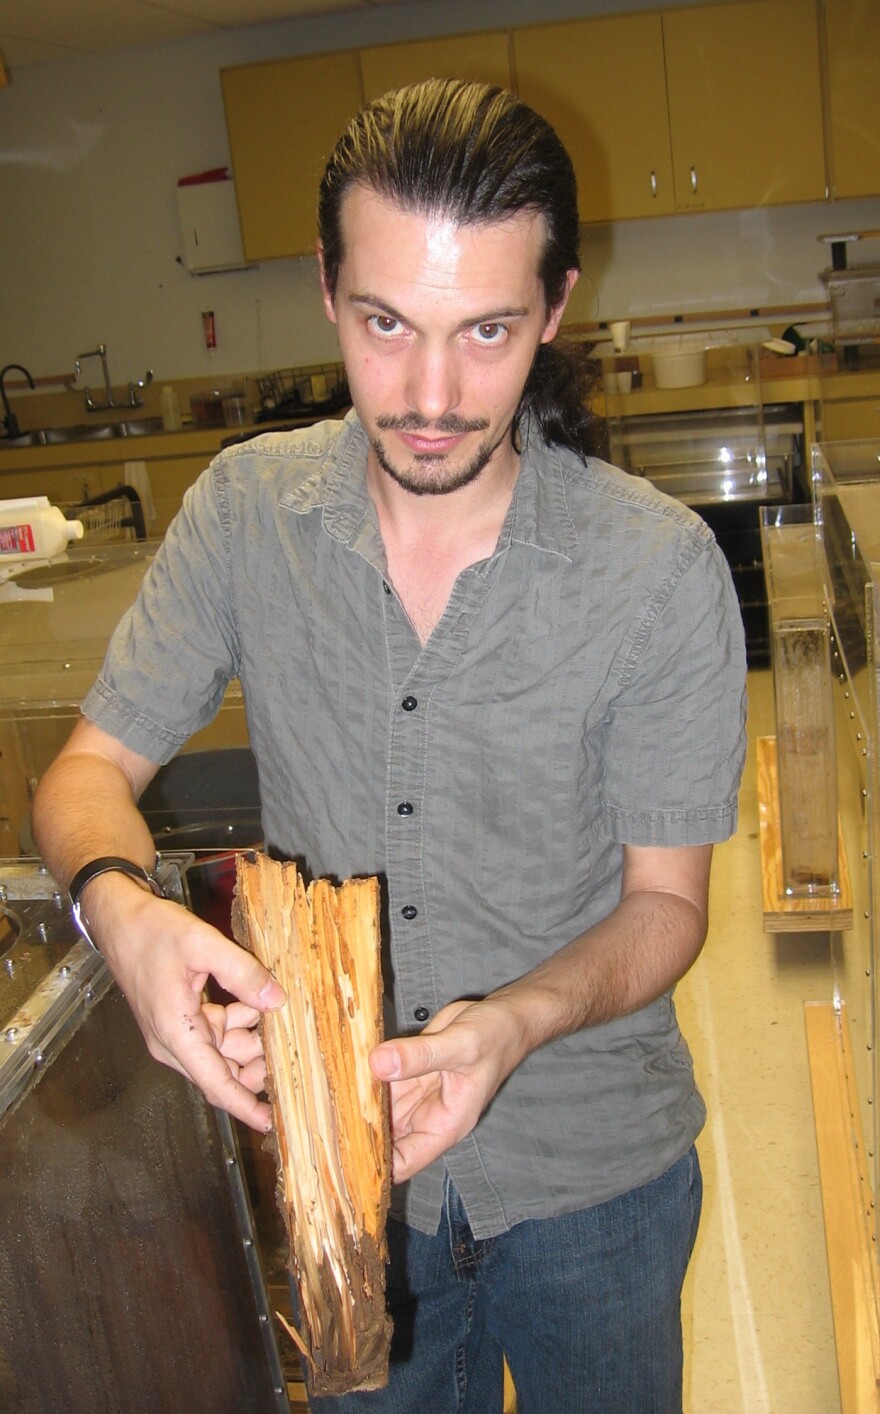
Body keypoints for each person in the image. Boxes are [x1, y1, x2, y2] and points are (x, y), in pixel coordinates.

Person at [33, 79, 747, 1412]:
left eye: (487, 331)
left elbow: (667, 906)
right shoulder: (248, 512)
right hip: (344, 1167)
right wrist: (119, 915)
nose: (431, 394)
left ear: (555, 306)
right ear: (326, 289)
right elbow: (87, 774)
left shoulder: (656, 570)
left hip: (597, 1176)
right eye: (386, 325)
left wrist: (515, 1022)